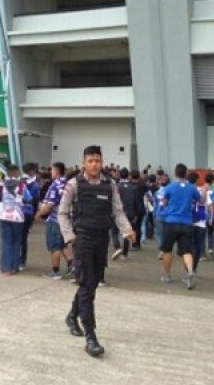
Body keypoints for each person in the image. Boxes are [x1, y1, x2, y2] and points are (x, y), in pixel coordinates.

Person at [58, 145, 135, 357]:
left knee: (90, 283)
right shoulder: (74, 184)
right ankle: (91, 337)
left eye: (97, 161)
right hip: (81, 239)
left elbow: (117, 211)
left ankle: (72, 316)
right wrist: (69, 237)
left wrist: (127, 230)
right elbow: (62, 213)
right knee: (87, 285)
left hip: (102, 239)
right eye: (90, 161)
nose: (94, 164)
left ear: (102, 162)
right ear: (83, 162)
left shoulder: (110, 185)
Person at [159, 164, 201, 288]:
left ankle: (167, 275)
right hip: (187, 223)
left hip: (171, 222)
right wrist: (203, 193)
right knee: (186, 251)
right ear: (186, 173)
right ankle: (189, 271)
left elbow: (164, 202)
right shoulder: (192, 188)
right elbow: (200, 201)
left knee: (167, 250)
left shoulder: (170, 187)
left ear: (176, 173)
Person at [35, 162, 72, 280]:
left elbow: (50, 205)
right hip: (65, 219)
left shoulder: (55, 185)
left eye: (52, 171)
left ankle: (55, 271)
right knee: (62, 245)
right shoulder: (67, 184)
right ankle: (73, 265)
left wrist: (39, 214)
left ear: (56, 171)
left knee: (54, 246)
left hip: (54, 219)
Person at [0, 164, 31, 275]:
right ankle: (14, 267)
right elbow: (28, 198)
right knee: (16, 242)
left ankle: (5, 268)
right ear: (16, 172)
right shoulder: (22, 185)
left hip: (4, 214)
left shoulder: (1, 184)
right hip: (18, 215)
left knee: (6, 242)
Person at [20, 162, 41, 271]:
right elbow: (36, 201)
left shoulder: (19, 181)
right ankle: (22, 261)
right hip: (28, 213)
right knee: (23, 239)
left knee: (16, 237)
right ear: (32, 171)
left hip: (17, 211)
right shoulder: (36, 185)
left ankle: (16, 259)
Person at [114, 168, 137, 260]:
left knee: (114, 232)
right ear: (128, 175)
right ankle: (125, 253)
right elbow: (136, 202)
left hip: (117, 212)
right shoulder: (133, 187)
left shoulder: (116, 186)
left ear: (120, 175)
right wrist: (135, 213)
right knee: (127, 231)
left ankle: (117, 248)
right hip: (130, 212)